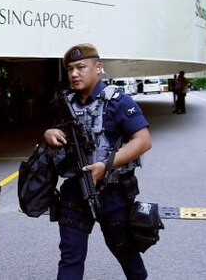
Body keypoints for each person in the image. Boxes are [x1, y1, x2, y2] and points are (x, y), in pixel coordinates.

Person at [43, 44, 152, 280]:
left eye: (81, 67)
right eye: (70, 68)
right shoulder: (64, 104)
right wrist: (48, 134)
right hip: (75, 191)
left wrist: (106, 165)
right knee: (70, 256)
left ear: (98, 68)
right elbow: (53, 133)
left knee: (126, 253)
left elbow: (143, 141)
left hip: (112, 192)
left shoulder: (119, 102)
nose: (74, 73)